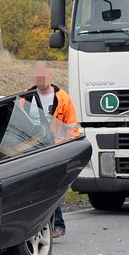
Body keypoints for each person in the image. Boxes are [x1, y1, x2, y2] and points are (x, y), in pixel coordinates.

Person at [29, 61, 78, 238]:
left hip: (56, 150)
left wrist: (65, 147)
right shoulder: (27, 98)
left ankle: (57, 225)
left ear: (50, 76)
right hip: (34, 151)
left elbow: (72, 126)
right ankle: (44, 226)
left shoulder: (63, 98)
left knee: (51, 188)